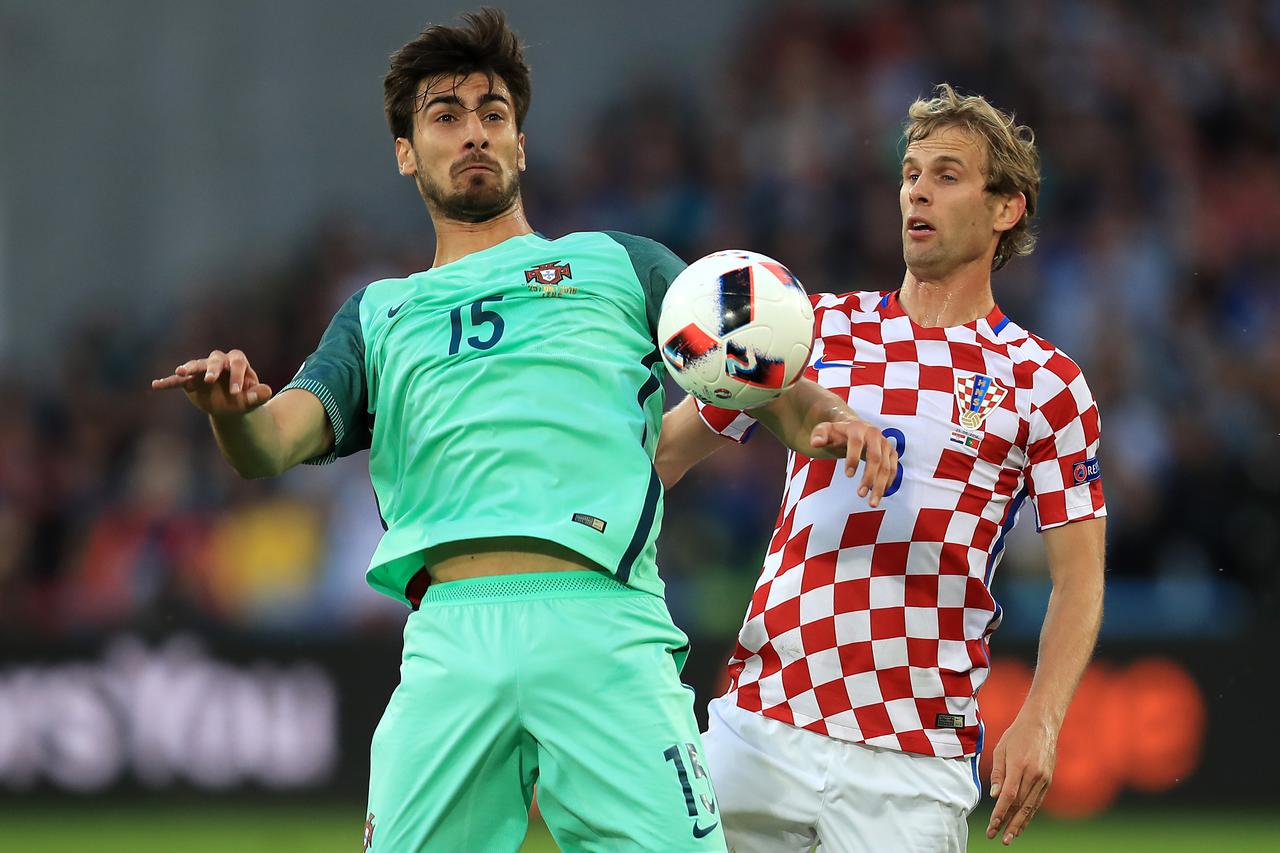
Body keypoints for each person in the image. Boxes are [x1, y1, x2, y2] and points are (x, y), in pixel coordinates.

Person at [151, 10, 895, 851]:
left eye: (493, 113)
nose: (474, 132)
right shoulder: (378, 313)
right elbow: (271, 444)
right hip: (448, 641)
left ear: (522, 143)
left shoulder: (620, 263)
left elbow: (752, 362)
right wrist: (234, 415)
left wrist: (826, 415)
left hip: (605, 628)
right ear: (406, 151)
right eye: (446, 115)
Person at [657, 84, 1107, 851]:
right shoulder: (809, 326)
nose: (918, 192)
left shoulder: (1046, 383)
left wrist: (1041, 714)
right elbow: (662, 457)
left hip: (913, 758)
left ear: (1007, 209)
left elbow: (1080, 577)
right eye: (910, 173)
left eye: (947, 174)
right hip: (761, 725)